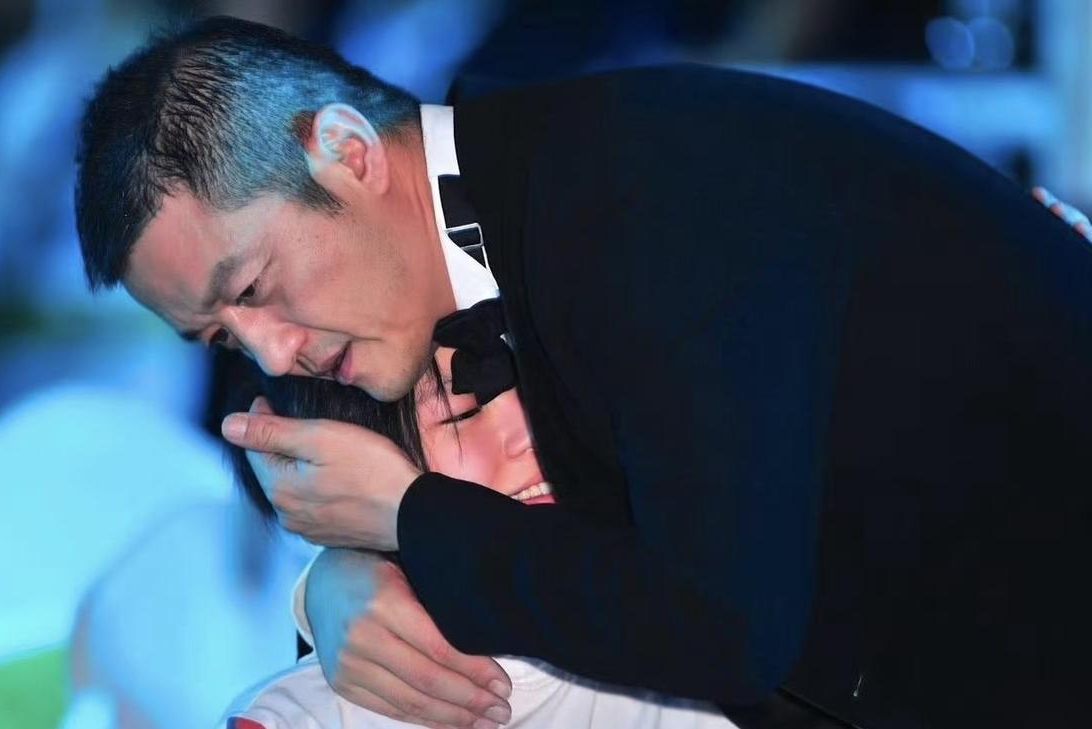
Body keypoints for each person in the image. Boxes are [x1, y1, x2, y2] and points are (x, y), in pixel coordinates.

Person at [75, 17, 1092, 729]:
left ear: (346, 151)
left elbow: (721, 626)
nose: (268, 351)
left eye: (253, 287)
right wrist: (344, 580)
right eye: (219, 337)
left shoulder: (640, 188)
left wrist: (410, 520)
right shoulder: (454, 250)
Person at [222, 347, 734, 729]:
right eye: (463, 413)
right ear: (337, 480)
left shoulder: (715, 608)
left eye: (546, 386)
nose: (532, 431)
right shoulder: (300, 719)